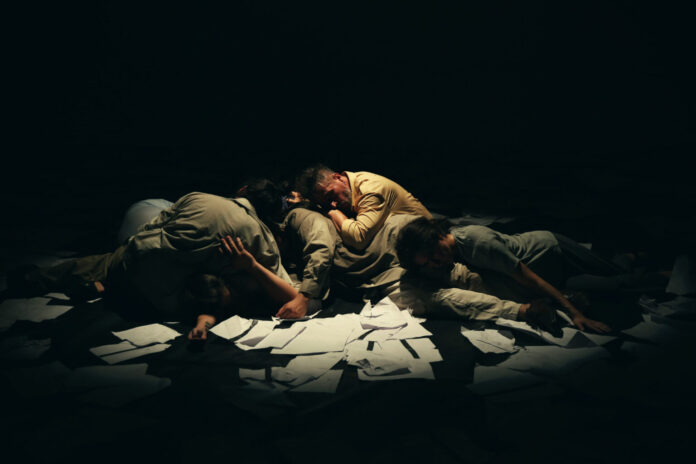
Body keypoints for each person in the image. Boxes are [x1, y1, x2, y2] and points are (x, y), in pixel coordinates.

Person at [8, 192, 297, 338]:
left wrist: (145, 248)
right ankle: (104, 287)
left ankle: (38, 278)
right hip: (161, 298)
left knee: (104, 263)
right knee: (204, 289)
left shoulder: (200, 198)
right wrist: (251, 265)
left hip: (138, 259)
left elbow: (154, 226)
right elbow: (291, 296)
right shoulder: (260, 237)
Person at [395, 218, 622, 332]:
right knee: (605, 282)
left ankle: (631, 256)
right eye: (427, 264)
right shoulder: (449, 253)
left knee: (617, 274)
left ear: (437, 237)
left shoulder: (477, 242)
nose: (435, 264)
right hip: (552, 275)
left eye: (433, 256)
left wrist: (575, 314)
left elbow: (531, 278)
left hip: (553, 252)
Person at [295, 165, 432, 250]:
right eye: (327, 203)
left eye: (331, 195)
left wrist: (332, 212)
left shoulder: (370, 190)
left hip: (428, 241)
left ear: (337, 177)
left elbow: (358, 239)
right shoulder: (347, 190)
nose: (334, 204)